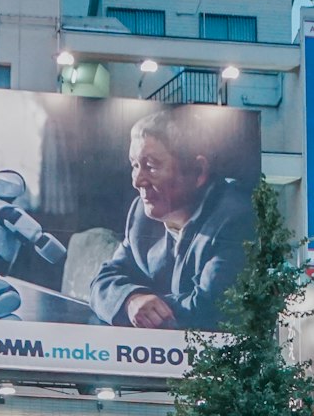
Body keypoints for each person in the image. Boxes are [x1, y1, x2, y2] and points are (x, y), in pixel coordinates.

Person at [89, 109, 256, 331]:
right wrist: (131, 301)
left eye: (150, 166)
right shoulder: (141, 214)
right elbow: (102, 281)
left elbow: (208, 310)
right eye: (135, 165)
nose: (138, 181)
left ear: (198, 171)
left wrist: (146, 302)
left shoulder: (237, 219)